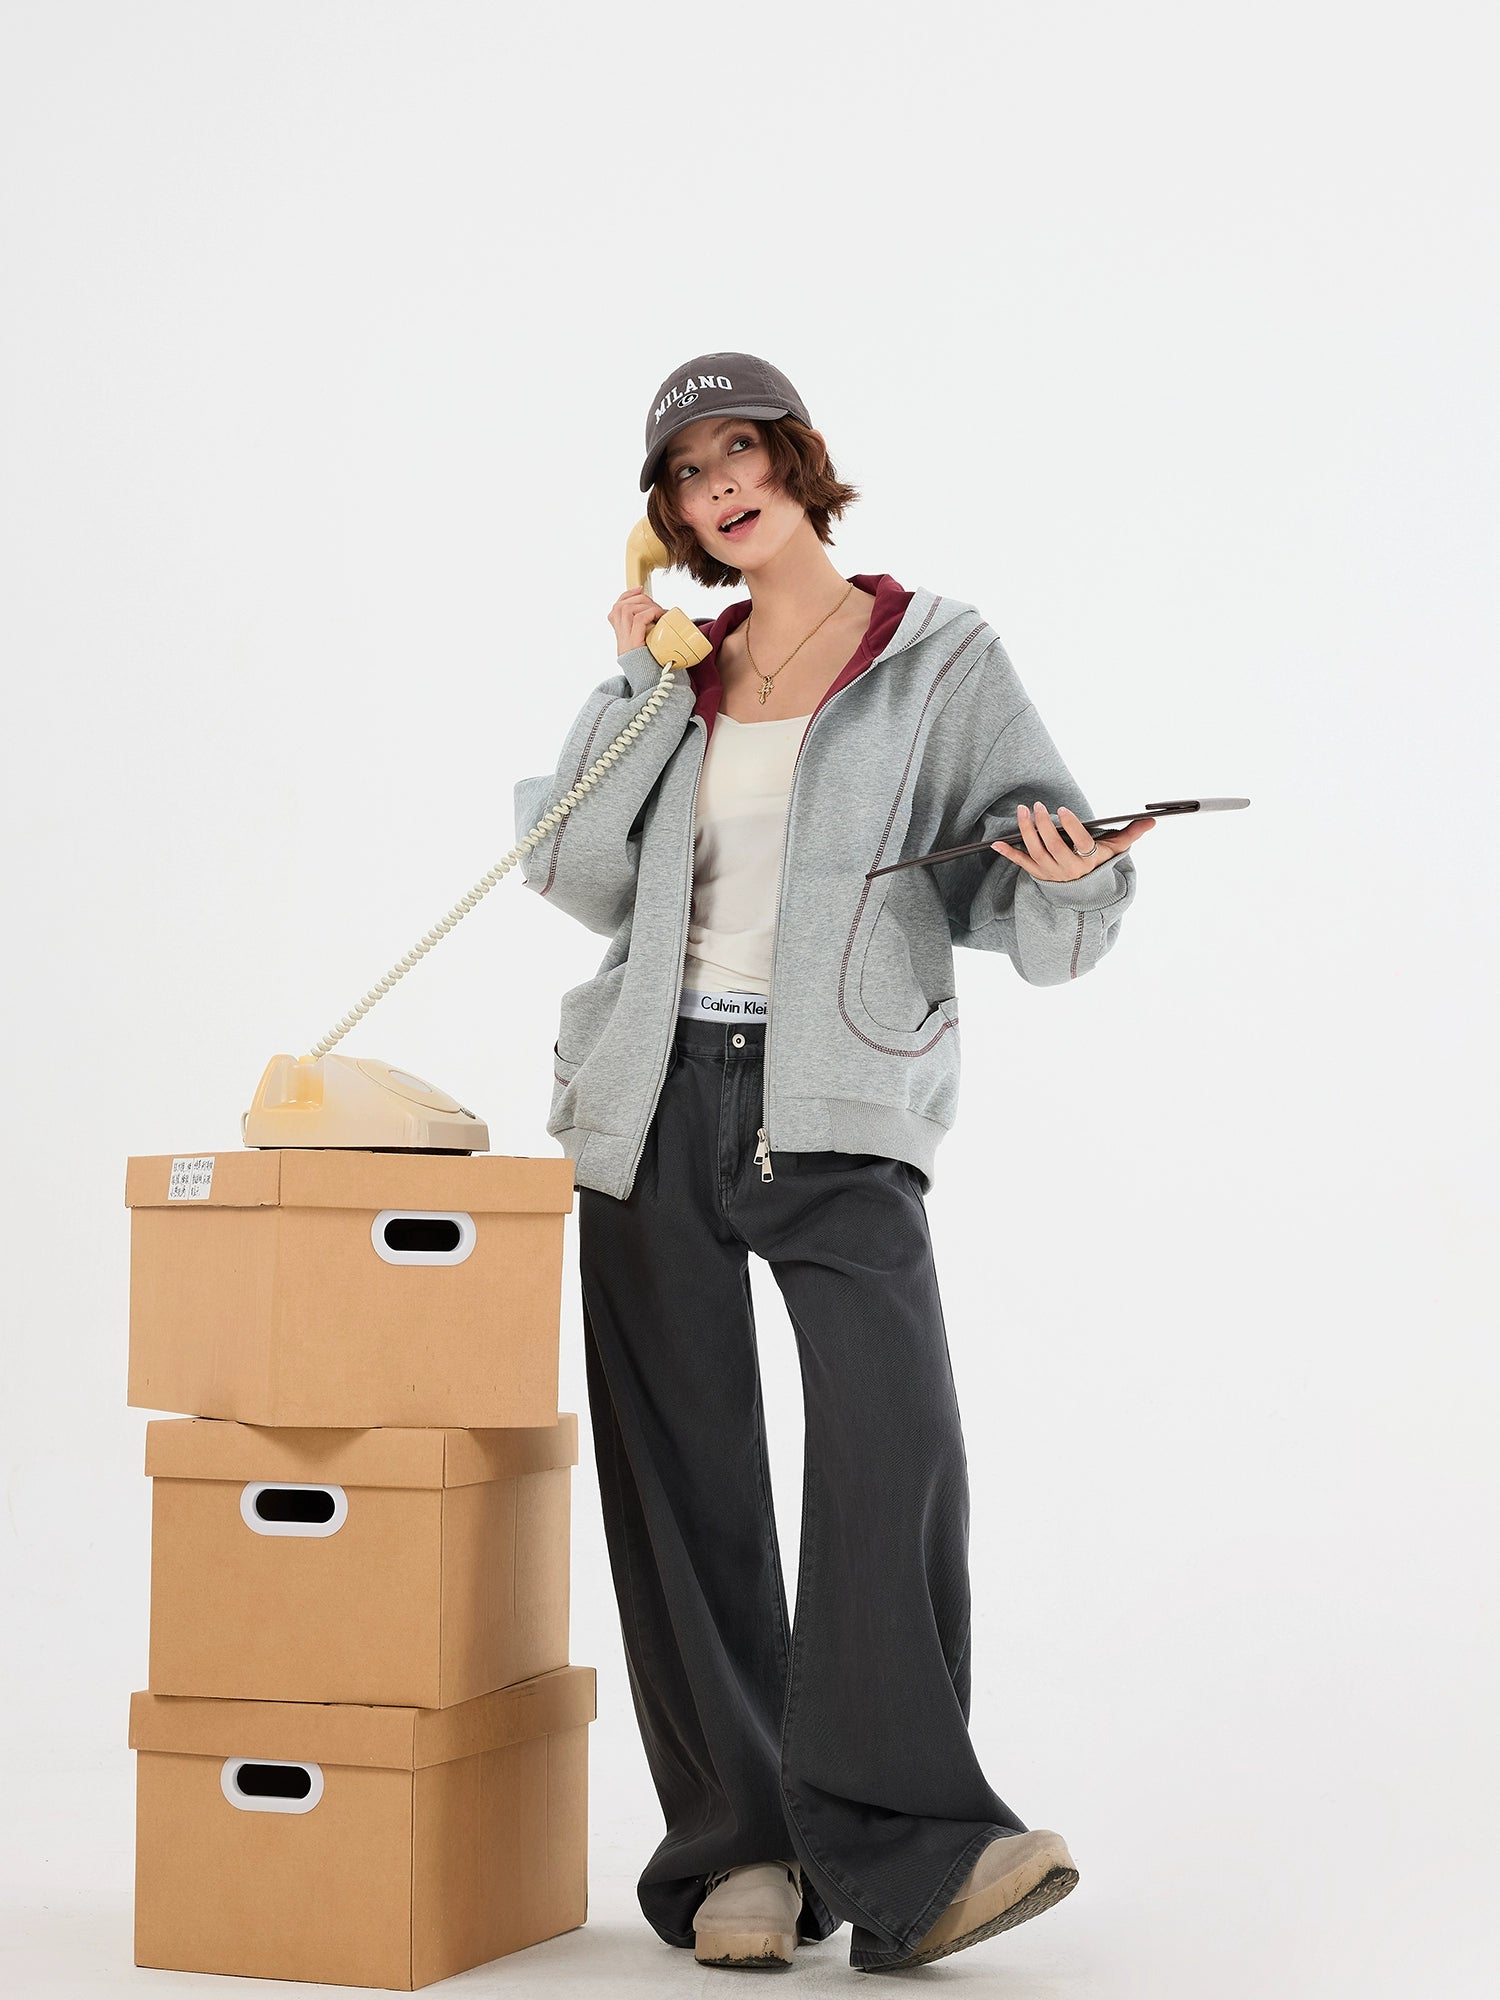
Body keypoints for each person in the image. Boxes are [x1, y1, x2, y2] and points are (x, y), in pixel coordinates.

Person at [513, 351, 1157, 1973]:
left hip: (839, 1099)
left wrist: (1067, 878)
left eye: (740, 451)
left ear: (799, 462)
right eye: (686, 475)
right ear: (668, 520)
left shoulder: (939, 655)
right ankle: (742, 1851)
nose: (719, 486)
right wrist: (638, 674)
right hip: (652, 1092)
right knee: (686, 1480)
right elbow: (573, 869)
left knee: (891, 1443)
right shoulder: (681, 675)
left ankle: (919, 1854)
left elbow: (1023, 887)